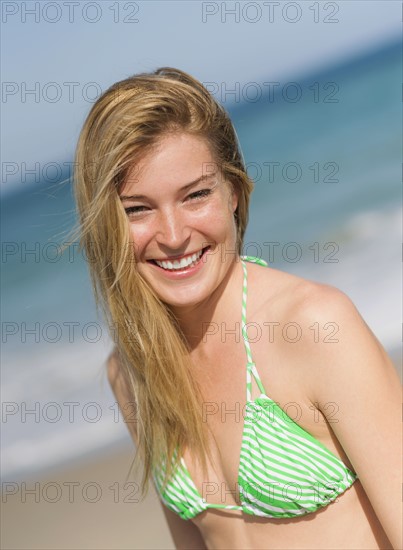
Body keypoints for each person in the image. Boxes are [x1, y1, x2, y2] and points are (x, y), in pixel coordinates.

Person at [73, 67, 401, 549]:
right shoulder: (131, 371)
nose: (173, 234)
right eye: (137, 209)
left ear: (234, 193)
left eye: (196, 195)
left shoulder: (312, 326)